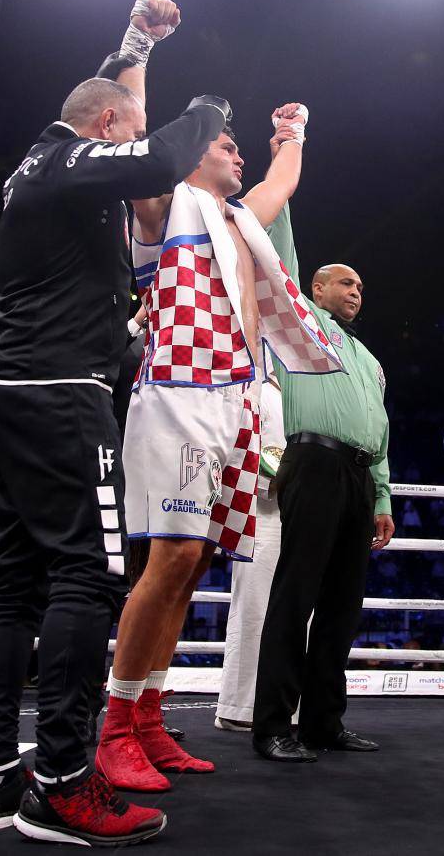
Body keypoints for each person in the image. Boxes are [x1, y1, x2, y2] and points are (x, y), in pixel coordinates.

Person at [0, 0, 230, 844]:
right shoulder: (75, 160)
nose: (134, 131)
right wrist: (211, 109)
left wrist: (136, 40)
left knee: (17, 579)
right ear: (105, 125)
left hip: (7, 390)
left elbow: (124, 107)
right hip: (58, 398)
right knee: (88, 575)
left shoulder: (35, 170)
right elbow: (160, 154)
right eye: (127, 123)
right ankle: (67, 783)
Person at [99, 103, 337, 792]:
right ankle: (114, 727)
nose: (239, 158)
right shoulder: (164, 206)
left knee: (194, 561)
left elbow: (282, 180)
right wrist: (143, 46)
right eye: (228, 148)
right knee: (168, 558)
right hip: (177, 390)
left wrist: (291, 133)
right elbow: (136, 139)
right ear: (195, 153)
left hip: (237, 399)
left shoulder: (238, 222)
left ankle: (147, 716)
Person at [250, 213, 395, 763]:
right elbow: (278, 253)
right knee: (296, 595)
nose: (357, 292)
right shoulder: (300, 322)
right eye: (346, 282)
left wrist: (381, 496)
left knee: (342, 606)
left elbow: (380, 430)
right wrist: (288, 158)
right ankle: (272, 726)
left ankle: (323, 722)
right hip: (311, 462)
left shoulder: (370, 360)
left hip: (359, 475)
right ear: (316, 287)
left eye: (360, 287)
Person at [214, 369, 288, 730]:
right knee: (253, 604)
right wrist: (264, 477)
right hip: (261, 504)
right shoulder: (252, 376)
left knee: (298, 610)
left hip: (303, 501)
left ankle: (289, 706)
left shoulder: (305, 381)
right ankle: (238, 707)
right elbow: (234, 429)